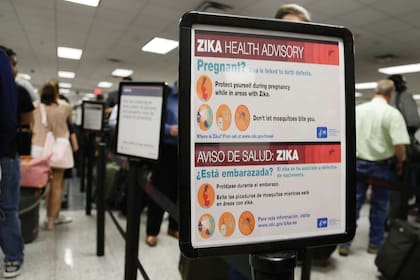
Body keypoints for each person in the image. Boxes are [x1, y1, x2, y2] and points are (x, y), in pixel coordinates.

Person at [338, 79, 410, 256]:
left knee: (352, 205)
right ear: (391, 94)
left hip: (357, 164)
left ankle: (345, 244)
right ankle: (374, 245)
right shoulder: (392, 114)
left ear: (376, 91)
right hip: (382, 167)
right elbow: (399, 146)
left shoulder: (358, 110)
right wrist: (401, 164)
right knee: (380, 206)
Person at [31, 84, 73, 230]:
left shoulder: (35, 106)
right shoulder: (65, 107)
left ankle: (32, 220)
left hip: (37, 149)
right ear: (57, 93)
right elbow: (70, 124)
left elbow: (30, 125)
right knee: (57, 186)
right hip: (58, 149)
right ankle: (51, 221)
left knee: (36, 186)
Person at [0, 47, 25, 278]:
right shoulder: (15, 91)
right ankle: (13, 256)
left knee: (8, 208)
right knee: (8, 208)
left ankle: (14, 255)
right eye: (13, 64)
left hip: (7, 152)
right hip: (6, 152)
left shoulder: (19, 92)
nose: (15, 69)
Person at [146, 82, 179, 246]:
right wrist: (169, 129)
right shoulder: (164, 94)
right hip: (164, 150)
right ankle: (152, 231)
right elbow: (151, 120)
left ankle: (174, 227)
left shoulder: (194, 96)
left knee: (179, 192)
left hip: (183, 151)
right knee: (159, 191)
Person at [388, 74, 420, 222]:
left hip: (386, 150)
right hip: (401, 148)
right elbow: (413, 122)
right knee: (401, 189)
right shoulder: (404, 97)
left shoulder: (385, 100)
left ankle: (389, 221)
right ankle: (398, 222)